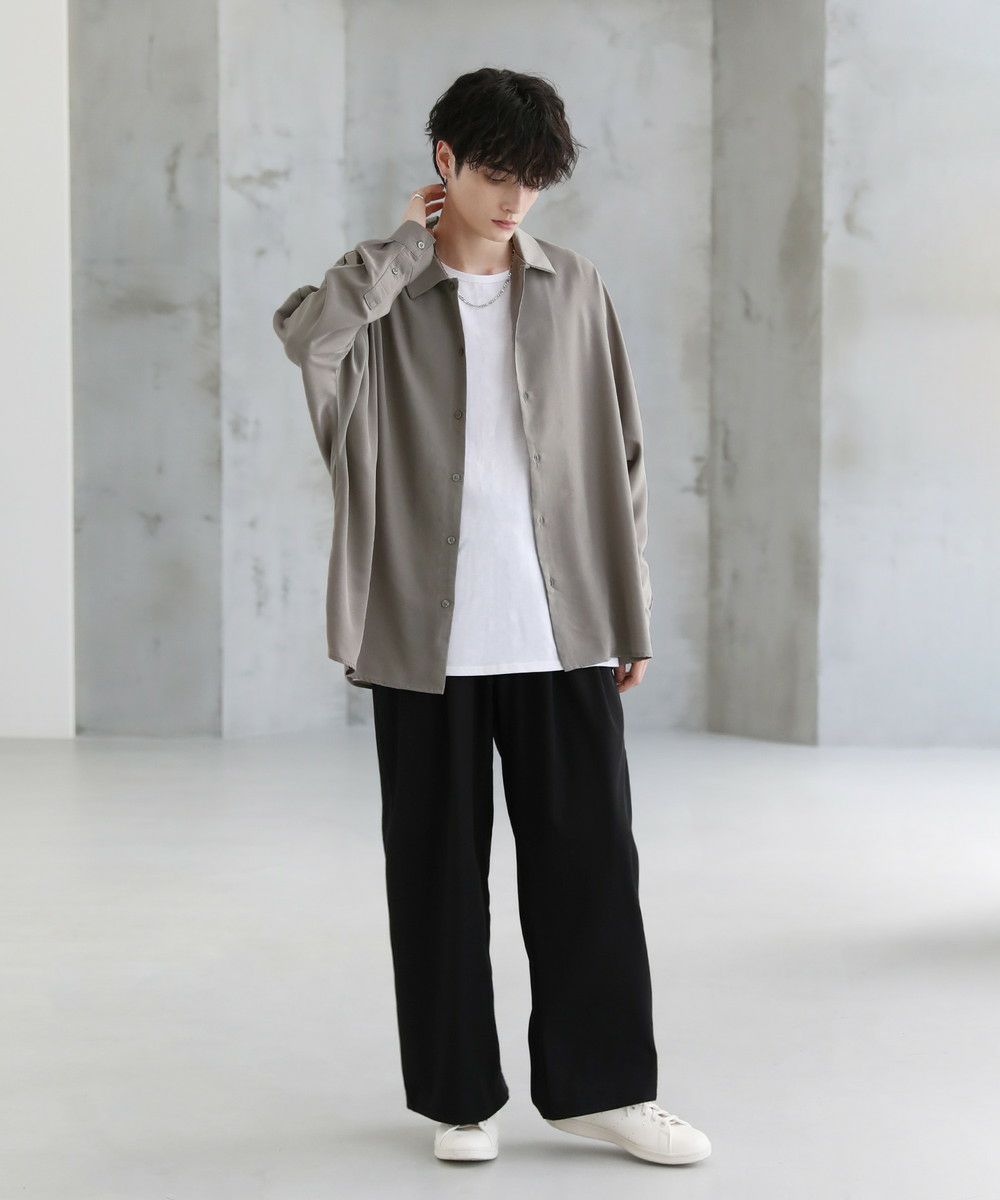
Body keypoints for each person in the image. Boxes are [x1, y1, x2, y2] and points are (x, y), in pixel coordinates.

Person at [272, 67, 711, 1167]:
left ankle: (606, 1091)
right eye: (496, 174)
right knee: (434, 876)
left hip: (562, 627)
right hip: (425, 639)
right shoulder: (384, 295)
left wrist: (631, 607)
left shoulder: (575, 287)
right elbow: (309, 341)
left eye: (534, 180)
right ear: (445, 164)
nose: (516, 199)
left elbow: (622, 452)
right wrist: (398, 249)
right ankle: (458, 1099)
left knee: (591, 870)